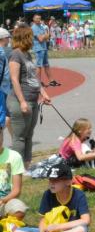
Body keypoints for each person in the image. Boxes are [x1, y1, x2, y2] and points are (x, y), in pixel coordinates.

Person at [11, 162, 90, 232]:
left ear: (68, 181)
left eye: (56, 180)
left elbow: (86, 220)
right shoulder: (47, 194)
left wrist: (58, 227)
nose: (51, 183)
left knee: (81, 229)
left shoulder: (78, 194)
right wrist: (42, 230)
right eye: (50, 180)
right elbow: (43, 219)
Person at [8, 25, 51, 169]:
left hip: (33, 100)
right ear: (24, 37)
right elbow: (14, 80)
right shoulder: (15, 55)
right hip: (20, 101)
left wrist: (43, 93)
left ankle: (26, 165)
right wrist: (22, 101)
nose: (33, 39)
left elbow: (34, 77)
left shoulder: (26, 54)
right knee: (19, 137)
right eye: (31, 36)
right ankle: (17, 168)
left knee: (28, 135)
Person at [0, 130, 23, 216]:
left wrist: (2, 200)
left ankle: (9, 223)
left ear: (2, 135)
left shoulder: (14, 156)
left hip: (6, 200)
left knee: (19, 209)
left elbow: (16, 190)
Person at [31, 14, 56, 86]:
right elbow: (41, 39)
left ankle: (51, 80)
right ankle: (38, 82)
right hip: (39, 48)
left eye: (39, 18)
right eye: (37, 18)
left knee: (46, 64)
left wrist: (45, 36)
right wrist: (45, 35)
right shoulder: (34, 28)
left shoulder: (41, 26)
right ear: (33, 19)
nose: (38, 20)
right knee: (39, 65)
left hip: (44, 48)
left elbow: (48, 37)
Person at [0, 28, 12, 130]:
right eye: (8, 37)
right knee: (2, 116)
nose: (9, 39)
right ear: (3, 38)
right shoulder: (2, 53)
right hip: (2, 87)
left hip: (3, 86)